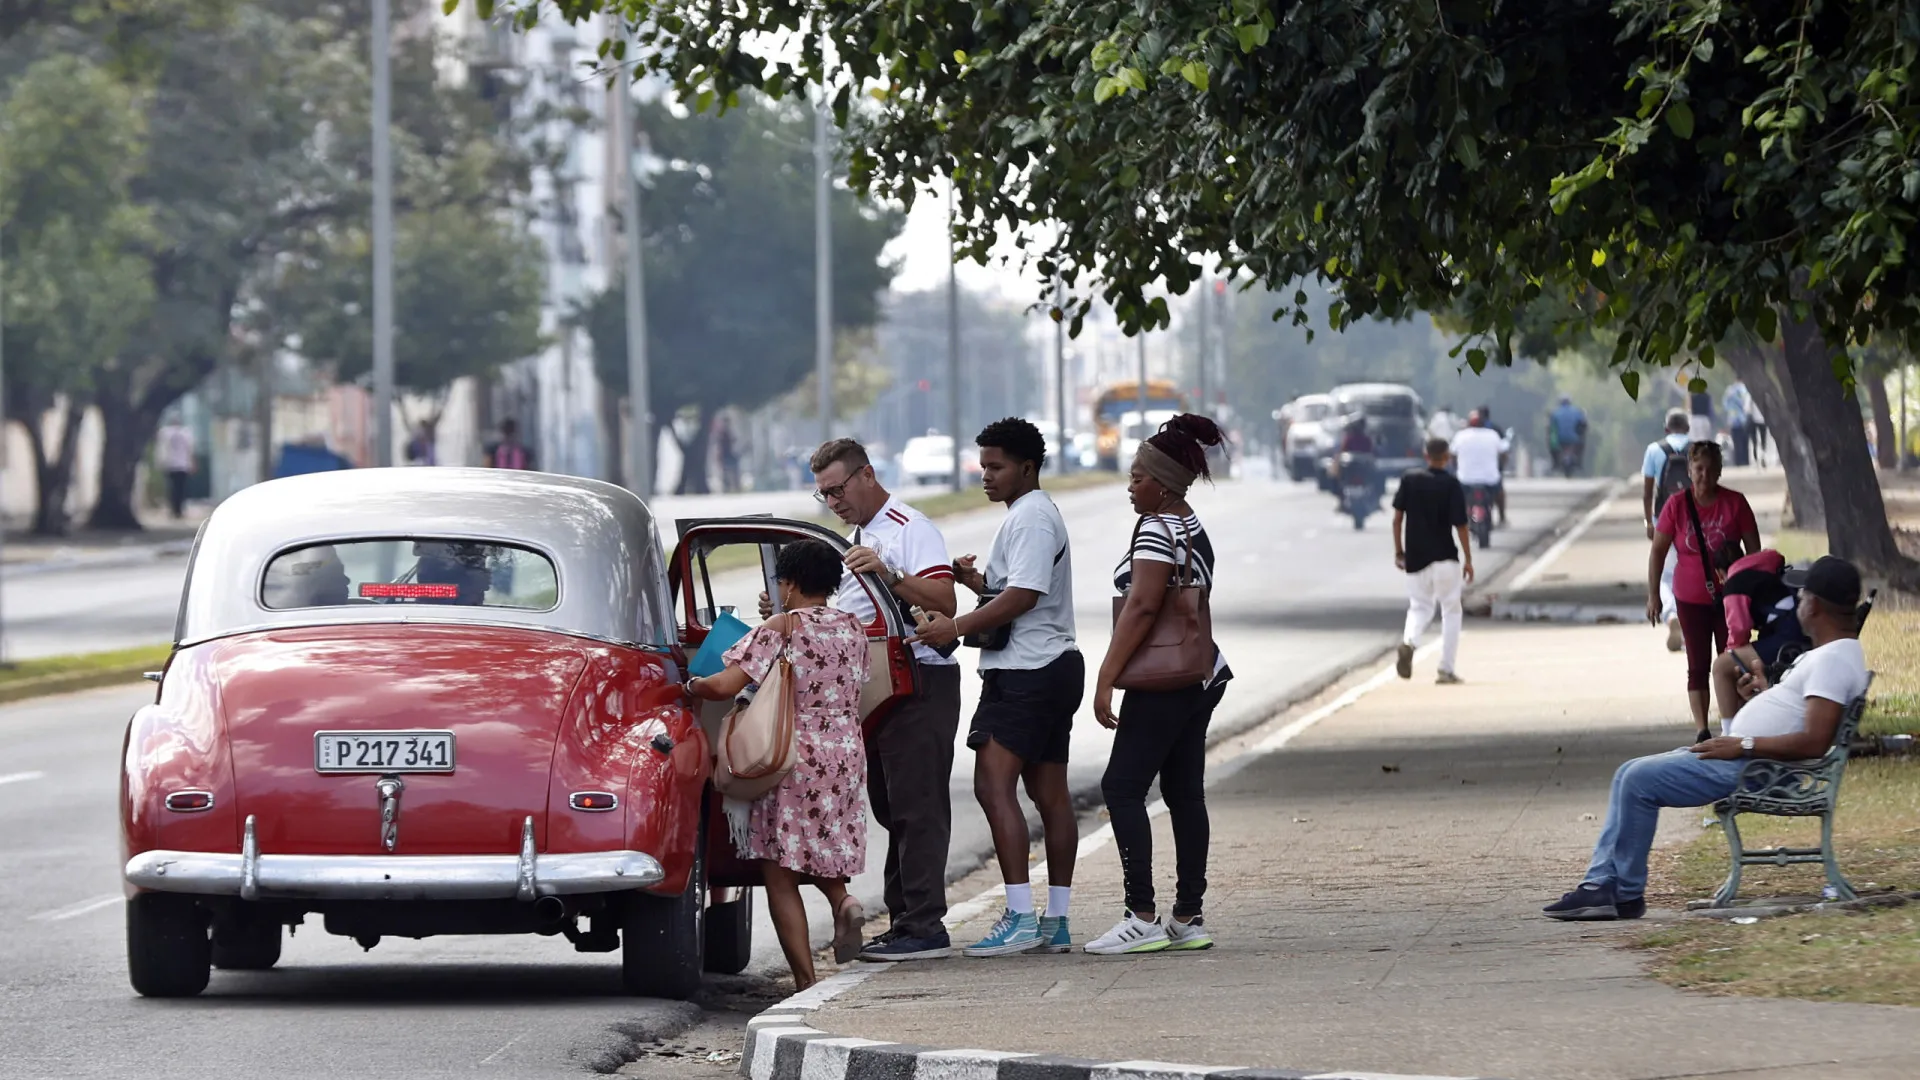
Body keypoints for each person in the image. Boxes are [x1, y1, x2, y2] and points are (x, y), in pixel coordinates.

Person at [1546, 556, 1868, 921]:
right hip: (1752, 760)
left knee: (1637, 780)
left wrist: (1743, 743)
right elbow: (1801, 718)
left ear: (1816, 606)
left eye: (1802, 594)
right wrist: (1761, 698)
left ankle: (1619, 890)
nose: (1797, 600)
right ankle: (1606, 886)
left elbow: (1813, 741)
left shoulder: (1832, 661)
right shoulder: (1834, 655)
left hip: (1757, 770)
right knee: (1629, 772)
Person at [908, 418, 1081, 958]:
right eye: (982, 466)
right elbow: (1018, 591)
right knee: (1049, 794)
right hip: (1052, 663)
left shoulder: (1030, 517)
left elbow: (1026, 596)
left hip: (1027, 672)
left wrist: (953, 625)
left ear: (1027, 467)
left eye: (996, 467)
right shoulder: (1032, 514)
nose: (986, 476)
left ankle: (1021, 917)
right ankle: (1055, 920)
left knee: (992, 785)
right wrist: (976, 585)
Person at [796, 439, 964, 963]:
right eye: (824, 495)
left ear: (867, 475)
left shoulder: (909, 528)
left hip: (920, 681)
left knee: (919, 807)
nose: (834, 502)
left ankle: (926, 926)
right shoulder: (861, 536)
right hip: (879, 688)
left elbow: (944, 600)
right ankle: (905, 918)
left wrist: (888, 574)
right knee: (892, 808)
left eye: (838, 489)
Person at [686, 539, 871, 989]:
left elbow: (726, 684)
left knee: (780, 868)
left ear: (787, 583)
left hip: (790, 755)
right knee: (823, 845)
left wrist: (692, 684)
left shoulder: (782, 626)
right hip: (844, 754)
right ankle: (843, 901)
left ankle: (806, 982)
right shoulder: (853, 627)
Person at [1086, 415, 1232, 955]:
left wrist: (1106, 678)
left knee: (1122, 788)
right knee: (1183, 792)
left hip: (1163, 681)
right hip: (1200, 673)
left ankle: (1141, 915)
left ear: (1163, 483)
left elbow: (1144, 604)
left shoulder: (1155, 528)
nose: (1130, 486)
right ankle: (1188, 916)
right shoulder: (1189, 523)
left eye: (1136, 478)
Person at [1646, 440, 1761, 743]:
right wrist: (1654, 595)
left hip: (1731, 601)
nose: (1704, 476)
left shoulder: (1735, 504)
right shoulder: (1677, 505)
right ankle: (1702, 729)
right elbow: (1658, 551)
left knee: (1733, 662)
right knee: (1697, 665)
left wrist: (1753, 591)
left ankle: (1734, 724)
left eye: (1711, 470)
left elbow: (1754, 553)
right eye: (1699, 469)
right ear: (1690, 470)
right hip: (1689, 599)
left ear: (1720, 471)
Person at [1393, 437, 1475, 685]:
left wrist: (1399, 551)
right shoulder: (1451, 485)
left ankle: (1409, 642)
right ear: (1447, 457)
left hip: (1415, 559)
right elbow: (1461, 525)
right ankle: (1445, 669)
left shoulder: (1409, 480)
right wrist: (1468, 559)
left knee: (1419, 607)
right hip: (1445, 558)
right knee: (1451, 610)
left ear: (1426, 455)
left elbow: (1397, 519)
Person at [1642, 408, 1694, 651]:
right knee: (1692, 570)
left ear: (1666, 429)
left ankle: (1671, 615)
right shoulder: (1699, 448)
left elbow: (1647, 491)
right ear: (1688, 428)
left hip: (1664, 517)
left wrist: (1648, 522)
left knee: (1665, 574)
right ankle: (1689, 622)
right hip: (1694, 519)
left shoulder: (1654, 450)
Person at [1448, 410, 1508, 527]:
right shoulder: (1493, 435)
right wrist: (1500, 467)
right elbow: (1503, 454)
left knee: (1457, 496)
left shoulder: (1460, 436)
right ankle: (1502, 517)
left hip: (1465, 479)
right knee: (1499, 492)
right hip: (1490, 479)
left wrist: (1456, 469)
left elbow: (1452, 456)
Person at [156, 415, 196, 519]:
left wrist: (160, 462)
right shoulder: (186, 433)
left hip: (171, 464)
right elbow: (190, 449)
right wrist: (192, 463)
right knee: (181, 489)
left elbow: (162, 449)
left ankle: (173, 509)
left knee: (172, 488)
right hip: (182, 465)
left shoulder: (165, 432)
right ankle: (178, 510)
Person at [1547, 396, 1588, 474]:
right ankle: (1579, 461)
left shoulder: (1555, 413)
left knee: (1551, 444)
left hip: (1559, 439)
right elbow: (1583, 424)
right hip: (1574, 439)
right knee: (1582, 442)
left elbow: (1550, 427)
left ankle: (1555, 463)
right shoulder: (1577, 412)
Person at [1722, 381, 1753, 467]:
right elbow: (1747, 405)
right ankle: (1745, 462)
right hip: (1744, 420)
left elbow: (1725, 405)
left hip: (1733, 420)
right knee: (1745, 443)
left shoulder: (1729, 390)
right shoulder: (1745, 389)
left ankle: (1738, 462)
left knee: (1737, 443)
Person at [716, 415, 742, 493]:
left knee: (733, 471)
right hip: (725, 455)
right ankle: (727, 488)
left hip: (730, 454)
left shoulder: (729, 432)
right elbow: (720, 446)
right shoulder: (722, 433)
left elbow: (734, 441)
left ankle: (736, 487)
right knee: (726, 473)